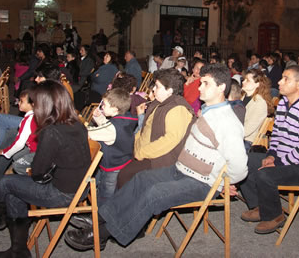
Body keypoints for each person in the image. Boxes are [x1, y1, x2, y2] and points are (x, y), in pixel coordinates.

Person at [64, 63, 248, 250]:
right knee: (140, 179)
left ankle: (100, 234)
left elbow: (240, 167)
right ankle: (101, 217)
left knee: (155, 194)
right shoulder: (207, 113)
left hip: (202, 182)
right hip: (182, 170)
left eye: (205, 83)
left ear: (221, 88)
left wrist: (224, 181)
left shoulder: (227, 122)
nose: (199, 87)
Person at [0, 80, 91, 258]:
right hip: (80, 188)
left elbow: (38, 172)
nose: (34, 106)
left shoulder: (51, 131)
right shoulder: (76, 124)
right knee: (13, 190)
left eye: (35, 102)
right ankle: (17, 248)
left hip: (62, 192)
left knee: (8, 183)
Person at [239, 65, 299, 235]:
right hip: (283, 159)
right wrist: (271, 155)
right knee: (242, 160)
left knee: (264, 174)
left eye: (286, 79)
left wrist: (278, 162)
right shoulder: (284, 103)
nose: (280, 82)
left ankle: (275, 215)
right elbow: (276, 135)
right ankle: (260, 206)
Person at [115, 68, 195, 190]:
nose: (153, 89)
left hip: (162, 160)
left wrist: (142, 152)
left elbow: (170, 140)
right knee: (117, 164)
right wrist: (135, 144)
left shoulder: (178, 109)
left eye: (157, 87)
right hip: (145, 152)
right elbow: (145, 129)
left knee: (125, 176)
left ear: (169, 90)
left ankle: (126, 208)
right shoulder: (159, 103)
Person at [86, 88, 137, 205]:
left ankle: (100, 217)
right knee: (106, 189)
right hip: (122, 161)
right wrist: (99, 118)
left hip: (112, 166)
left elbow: (91, 133)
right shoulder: (126, 119)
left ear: (114, 108)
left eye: (104, 104)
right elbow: (108, 128)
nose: (102, 106)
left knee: (106, 195)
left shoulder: (112, 127)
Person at [0, 90, 38, 183]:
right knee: (15, 155)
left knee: (16, 160)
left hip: (36, 151)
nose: (18, 103)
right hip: (34, 147)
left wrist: (5, 152)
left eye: (22, 101)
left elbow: (19, 144)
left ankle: (25, 182)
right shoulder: (34, 115)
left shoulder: (28, 120)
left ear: (32, 104)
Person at [242, 69, 274, 151]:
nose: (243, 82)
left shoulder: (260, 103)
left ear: (257, 84)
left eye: (247, 80)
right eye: (244, 79)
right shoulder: (242, 97)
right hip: (239, 137)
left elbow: (247, 130)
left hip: (247, 141)